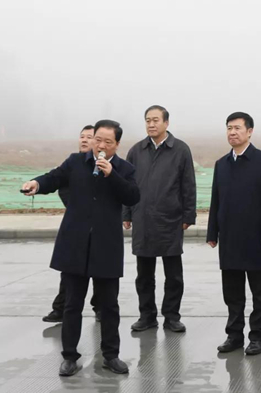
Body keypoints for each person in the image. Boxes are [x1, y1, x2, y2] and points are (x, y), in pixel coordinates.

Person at [21, 120, 140, 376]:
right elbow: (54, 178)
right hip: (75, 243)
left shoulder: (125, 169)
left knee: (109, 306)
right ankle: (69, 357)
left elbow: (132, 196)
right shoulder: (76, 162)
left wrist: (112, 174)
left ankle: (111, 355)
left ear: (117, 144)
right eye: (98, 139)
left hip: (106, 246)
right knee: (72, 304)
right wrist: (36, 184)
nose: (100, 145)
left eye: (108, 142)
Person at [206, 112, 261, 356]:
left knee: (259, 292)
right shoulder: (222, 164)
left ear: (249, 131)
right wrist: (212, 232)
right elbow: (216, 200)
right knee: (232, 293)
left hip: (256, 238)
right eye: (229, 128)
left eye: (237, 128)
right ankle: (234, 335)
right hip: (229, 238)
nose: (232, 132)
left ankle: (257, 336)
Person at [123, 105, 196, 333]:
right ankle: (147, 316)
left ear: (166, 123)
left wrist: (188, 214)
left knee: (173, 275)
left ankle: (172, 316)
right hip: (142, 218)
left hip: (170, 219)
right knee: (144, 275)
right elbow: (126, 184)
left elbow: (188, 184)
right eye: (148, 120)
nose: (151, 124)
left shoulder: (180, 149)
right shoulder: (136, 151)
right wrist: (126, 213)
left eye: (156, 120)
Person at [43, 125, 100, 323]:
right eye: (82, 136)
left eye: (89, 137)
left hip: (99, 228)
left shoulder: (105, 164)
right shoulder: (73, 162)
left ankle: (100, 307)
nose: (84, 140)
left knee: (99, 271)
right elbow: (60, 185)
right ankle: (60, 308)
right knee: (70, 271)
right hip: (76, 226)